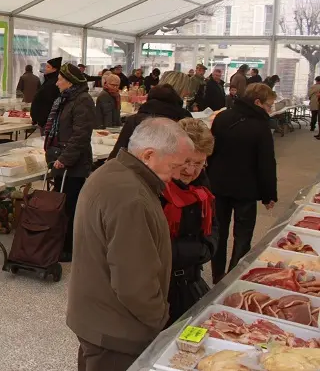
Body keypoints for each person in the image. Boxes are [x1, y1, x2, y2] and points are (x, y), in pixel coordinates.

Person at [67, 118, 194, 371]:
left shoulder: (113, 171)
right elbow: (134, 282)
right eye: (175, 166)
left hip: (97, 316)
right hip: (118, 331)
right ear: (149, 155)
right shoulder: (131, 196)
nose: (181, 175)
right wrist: (160, 319)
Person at [208, 83, 278, 283]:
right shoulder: (261, 126)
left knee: (218, 232)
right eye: (269, 105)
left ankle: (217, 275)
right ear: (257, 102)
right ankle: (233, 277)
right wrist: (268, 194)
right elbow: (266, 163)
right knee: (243, 236)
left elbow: (211, 152)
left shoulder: (222, 117)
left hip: (218, 184)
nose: (270, 109)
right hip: (246, 189)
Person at [164, 118, 219, 326]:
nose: (190, 170)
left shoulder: (201, 185)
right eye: (186, 162)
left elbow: (214, 224)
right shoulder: (157, 188)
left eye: (198, 163)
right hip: (162, 286)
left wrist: (209, 247)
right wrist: (195, 251)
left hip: (191, 280)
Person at [42, 63, 95, 262]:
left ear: (70, 81)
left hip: (74, 164)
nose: (57, 82)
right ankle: (61, 243)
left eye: (60, 79)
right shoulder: (65, 99)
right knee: (62, 204)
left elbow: (81, 135)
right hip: (60, 159)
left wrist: (65, 159)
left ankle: (70, 248)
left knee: (70, 207)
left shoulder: (83, 101)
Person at [109, 84, 191, 159]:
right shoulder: (184, 119)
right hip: (175, 168)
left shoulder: (135, 119)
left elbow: (119, 151)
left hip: (137, 168)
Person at [30, 57, 61, 127]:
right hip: (43, 119)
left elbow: (48, 102)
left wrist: (40, 118)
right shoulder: (48, 80)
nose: (46, 68)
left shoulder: (54, 82)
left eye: (48, 67)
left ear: (54, 69)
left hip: (47, 120)